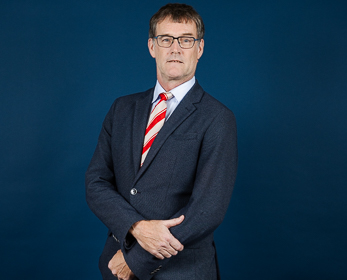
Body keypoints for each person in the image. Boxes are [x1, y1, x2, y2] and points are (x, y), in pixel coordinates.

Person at [85, 3, 238, 280]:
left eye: (186, 40)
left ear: (199, 49)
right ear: (152, 47)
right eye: (166, 39)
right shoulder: (121, 108)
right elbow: (96, 183)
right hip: (114, 266)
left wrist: (135, 261)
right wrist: (136, 227)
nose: (175, 48)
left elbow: (207, 210)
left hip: (180, 271)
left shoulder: (218, 118)